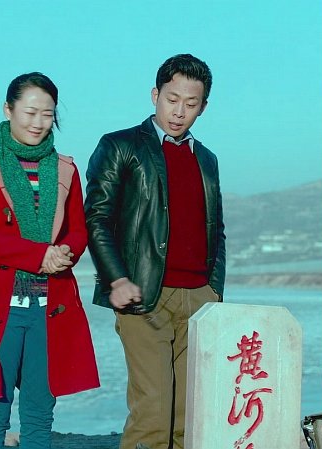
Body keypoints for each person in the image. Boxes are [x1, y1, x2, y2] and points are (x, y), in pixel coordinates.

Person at [84, 53, 226, 449]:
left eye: (190, 104)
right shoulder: (121, 145)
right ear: (155, 95)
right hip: (144, 293)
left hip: (200, 300)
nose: (179, 112)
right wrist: (117, 278)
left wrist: (214, 292)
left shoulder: (207, 159)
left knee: (190, 416)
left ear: (203, 107)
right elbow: (96, 217)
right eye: (172, 99)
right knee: (153, 413)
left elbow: (217, 228)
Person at [0, 72, 100, 449]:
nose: (38, 123)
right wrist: (39, 256)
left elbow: (78, 229)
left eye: (47, 115)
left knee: (39, 411)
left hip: (49, 307)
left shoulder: (65, 169)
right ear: (8, 109)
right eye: (30, 112)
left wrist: (65, 252)